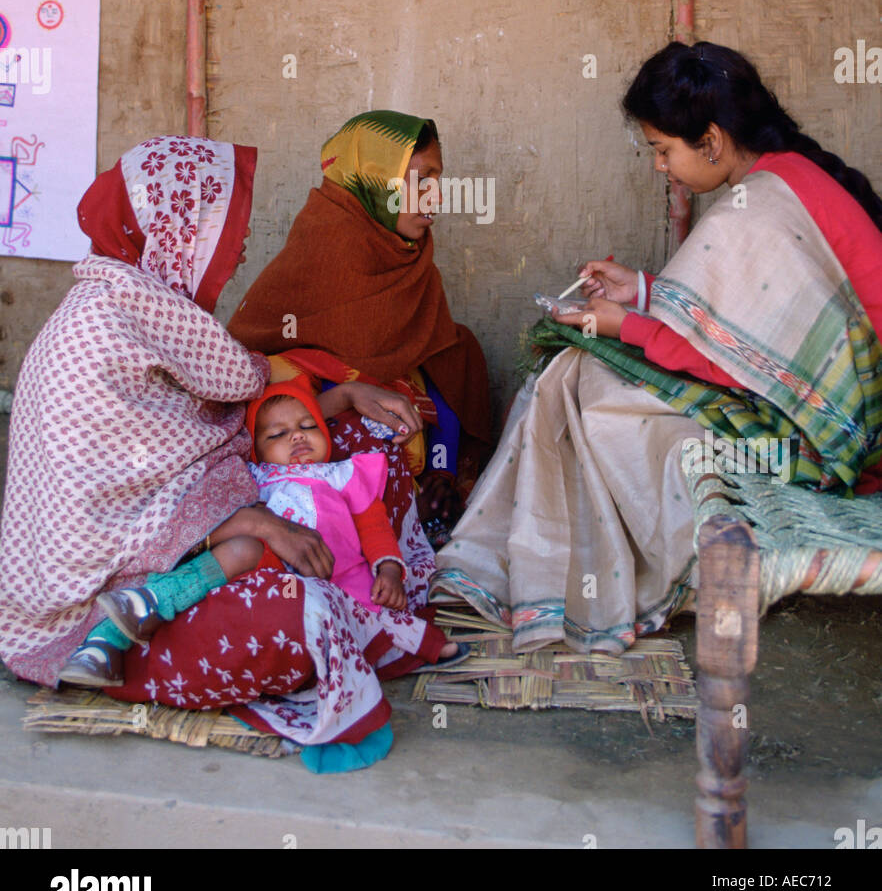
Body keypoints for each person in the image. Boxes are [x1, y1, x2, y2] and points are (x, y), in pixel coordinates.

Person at [432, 42, 882, 653]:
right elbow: (751, 329)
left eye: (663, 150)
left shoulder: (759, 206)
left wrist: (621, 324)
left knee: (588, 391)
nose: (660, 166)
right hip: (841, 411)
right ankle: (559, 566)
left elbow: (734, 357)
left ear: (713, 141)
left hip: (844, 439)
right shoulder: (784, 180)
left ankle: (571, 575)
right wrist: (642, 293)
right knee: (581, 375)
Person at [0, 136, 433, 766]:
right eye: (224, 235)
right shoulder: (134, 303)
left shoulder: (105, 296)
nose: (241, 252)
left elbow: (198, 428)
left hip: (101, 574)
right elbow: (238, 385)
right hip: (82, 599)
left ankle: (147, 632)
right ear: (176, 231)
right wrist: (260, 513)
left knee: (340, 481)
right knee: (297, 623)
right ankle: (110, 645)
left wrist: (334, 405)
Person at [71, 379, 466, 682]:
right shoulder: (252, 478)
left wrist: (390, 570)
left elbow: (374, 525)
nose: (296, 436)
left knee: (385, 614)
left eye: (308, 426)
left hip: (340, 576)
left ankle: (429, 647)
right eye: (276, 435)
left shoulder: (341, 475)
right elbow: (209, 515)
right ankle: (145, 605)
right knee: (242, 548)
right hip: (269, 574)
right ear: (256, 449)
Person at [228, 111, 492, 543]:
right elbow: (258, 396)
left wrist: (441, 471)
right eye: (418, 180)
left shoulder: (410, 261)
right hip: (316, 463)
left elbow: (436, 376)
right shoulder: (327, 249)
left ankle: (424, 499)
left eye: (437, 180)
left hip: (413, 453)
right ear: (371, 180)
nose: (435, 199)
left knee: (456, 351)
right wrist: (348, 393)